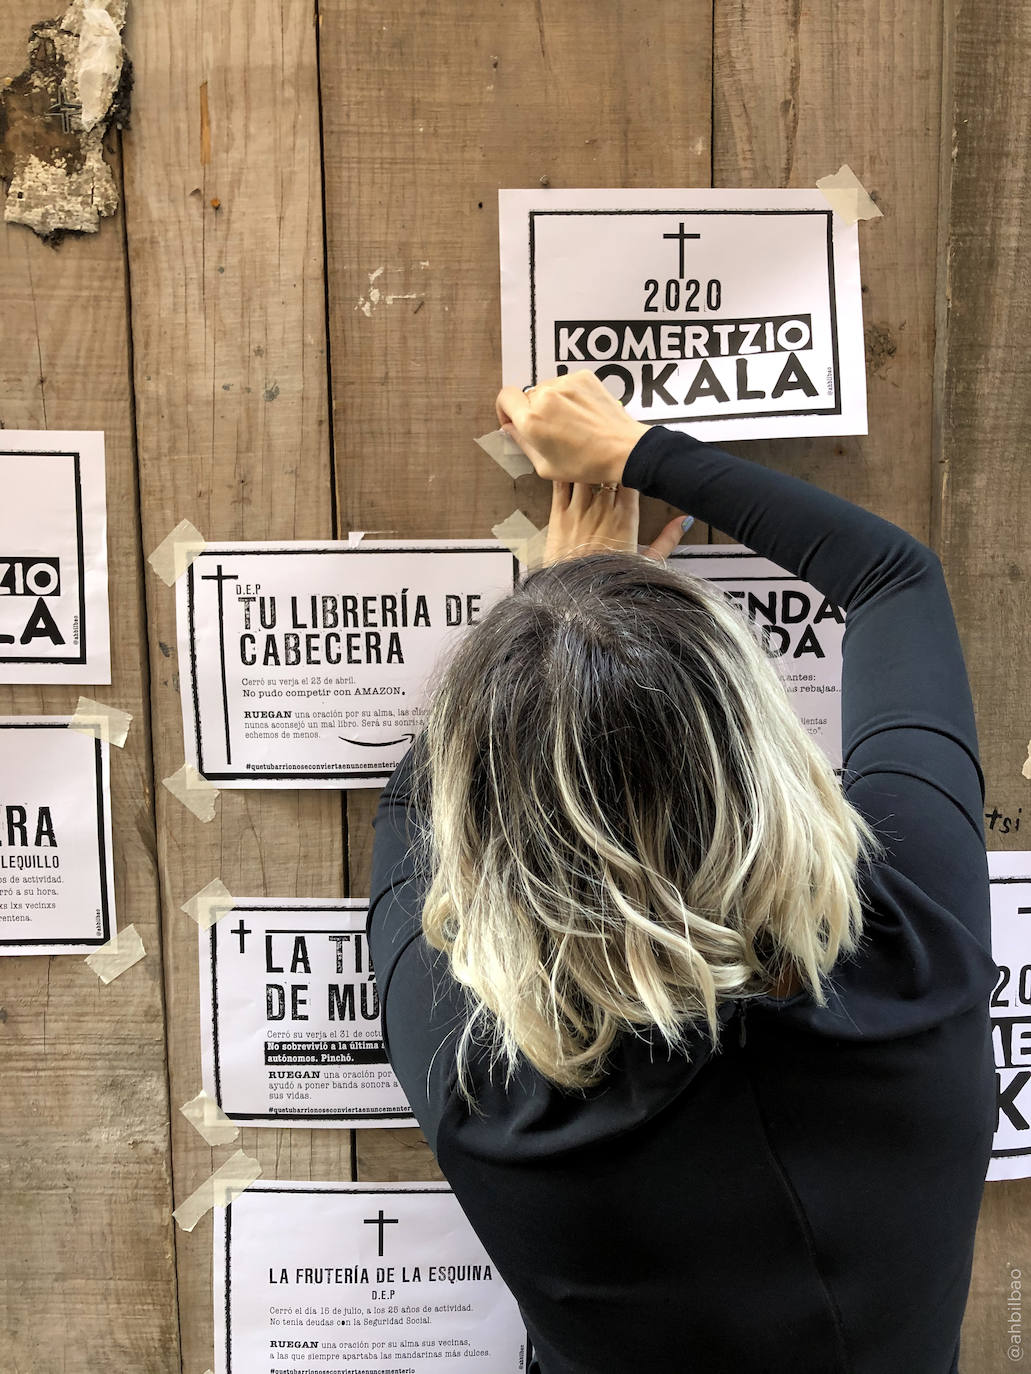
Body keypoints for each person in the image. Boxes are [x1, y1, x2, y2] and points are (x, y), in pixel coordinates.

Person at [367, 370, 998, 1374]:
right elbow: (889, 577)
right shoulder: (917, 944)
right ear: (760, 739)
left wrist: (555, 618)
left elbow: (408, 811)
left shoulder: (487, 1099)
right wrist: (637, 459)